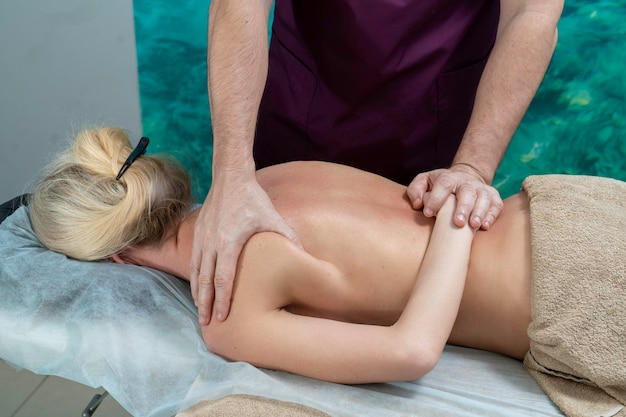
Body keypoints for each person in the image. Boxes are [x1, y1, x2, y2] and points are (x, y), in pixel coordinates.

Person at [29, 128, 625, 416]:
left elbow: (412, 351)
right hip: (572, 208)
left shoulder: (227, 313)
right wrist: (467, 190)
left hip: (577, 300)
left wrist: (457, 221)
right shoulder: (274, 176)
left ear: (112, 259)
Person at [197, 0, 565, 325]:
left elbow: (531, 12)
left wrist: (472, 167)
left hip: (433, 107)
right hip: (305, 94)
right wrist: (231, 172)